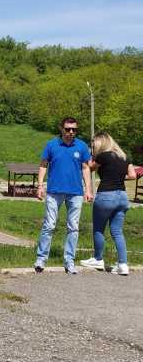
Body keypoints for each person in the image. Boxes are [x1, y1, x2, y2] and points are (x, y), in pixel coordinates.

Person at [34, 117, 93, 274]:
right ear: (62, 129)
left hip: (75, 193)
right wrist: (40, 186)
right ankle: (41, 259)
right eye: (68, 129)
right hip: (54, 192)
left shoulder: (82, 146)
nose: (71, 132)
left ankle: (69, 261)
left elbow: (86, 168)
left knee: (73, 227)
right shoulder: (51, 145)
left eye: (74, 129)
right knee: (49, 225)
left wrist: (88, 190)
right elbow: (43, 165)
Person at [80, 132, 136, 275]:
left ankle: (98, 259)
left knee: (98, 229)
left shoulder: (103, 156)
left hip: (106, 195)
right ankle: (123, 264)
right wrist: (117, 175)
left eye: (93, 146)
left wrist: (90, 155)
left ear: (100, 143)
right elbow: (132, 175)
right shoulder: (124, 156)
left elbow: (90, 167)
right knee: (117, 231)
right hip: (122, 197)